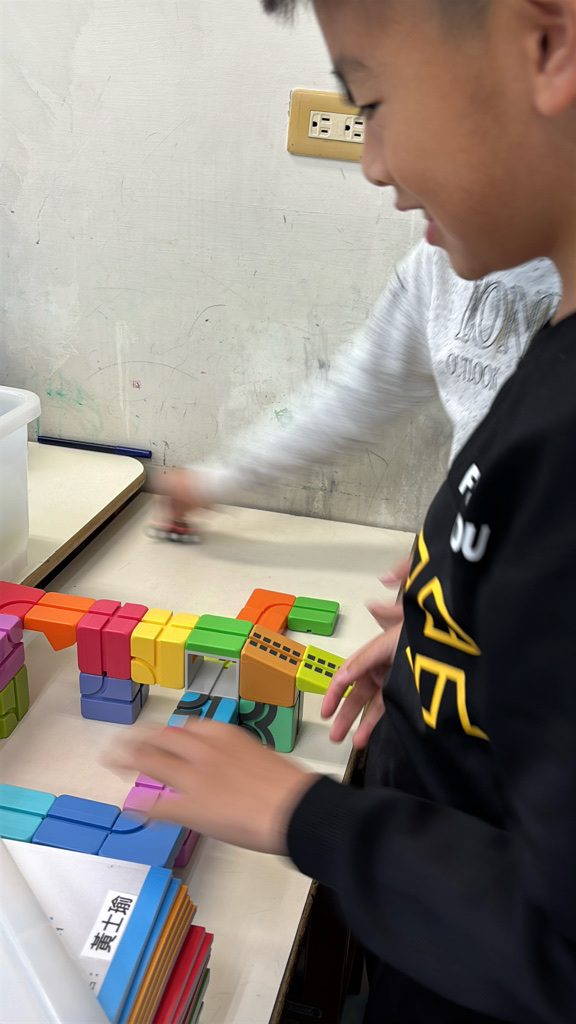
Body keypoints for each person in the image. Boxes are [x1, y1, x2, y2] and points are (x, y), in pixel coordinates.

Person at [115, 1, 576, 1019]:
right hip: (431, 898)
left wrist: (303, 813)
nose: (369, 164)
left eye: (371, 102)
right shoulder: (518, 328)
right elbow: (356, 391)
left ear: (547, 44)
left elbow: (556, 939)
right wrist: (451, 641)